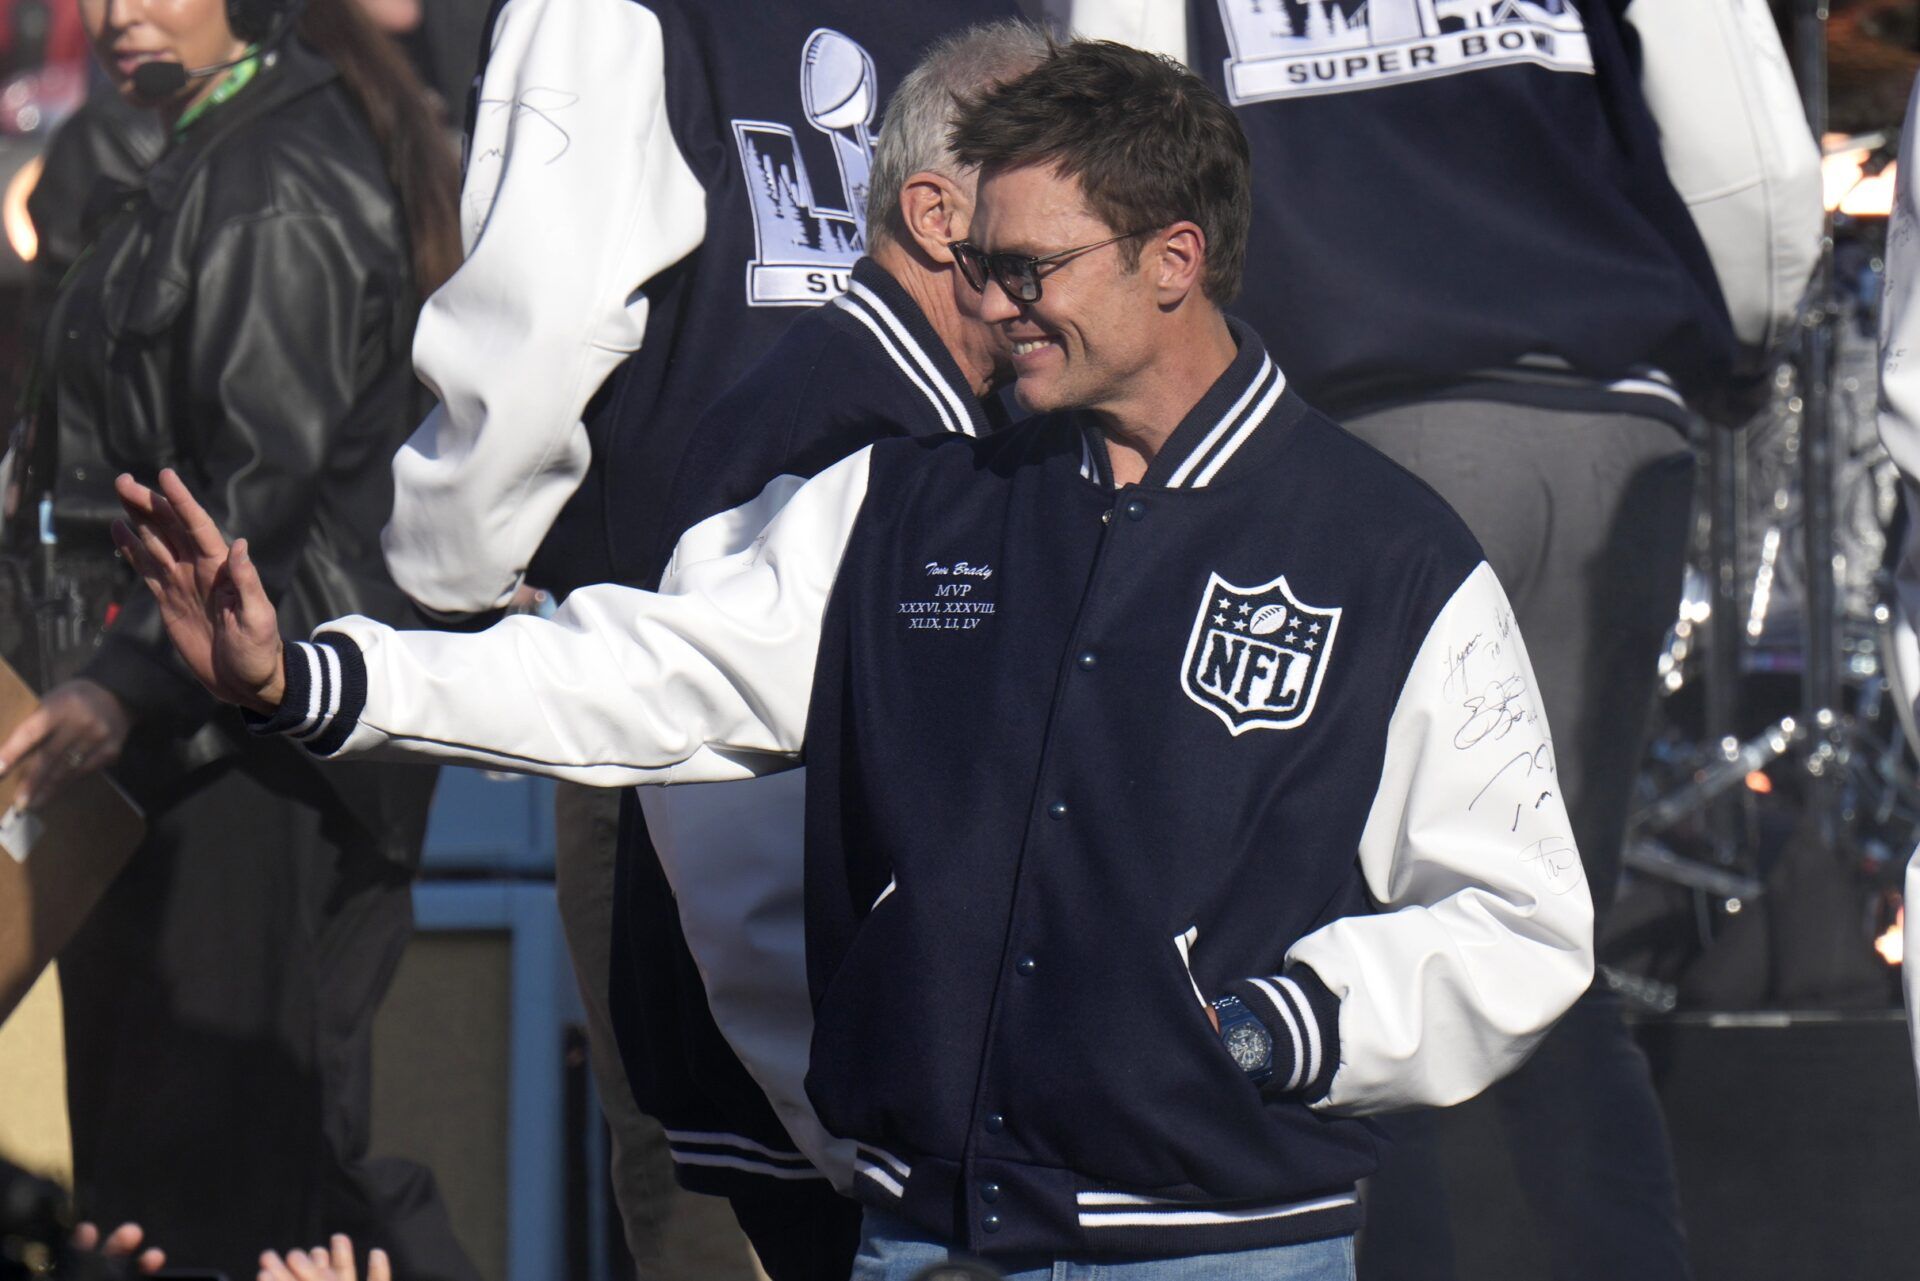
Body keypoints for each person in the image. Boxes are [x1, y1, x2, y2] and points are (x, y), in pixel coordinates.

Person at [116, 40, 1593, 1279]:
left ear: (1175, 262)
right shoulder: (911, 500)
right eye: (980, 260)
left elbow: (1524, 920)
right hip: (926, 1235)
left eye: (1031, 267)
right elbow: (643, 669)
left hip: (1223, 1239)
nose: (991, 297)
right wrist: (311, 679)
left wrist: (1288, 1027)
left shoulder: (1386, 555)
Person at [1051, 1, 1822, 1276]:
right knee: (1543, 937)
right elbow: (1753, 151)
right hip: (1601, 415)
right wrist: (1742, 333)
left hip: (1351, 416)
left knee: (1344, 932)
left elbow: (1114, 135)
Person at [375, 0, 1017, 1270]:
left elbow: (536, 326)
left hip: (687, 673)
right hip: (987, 659)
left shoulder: (607, 14)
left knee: (715, 1177)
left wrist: (449, 570)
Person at [0, 0, 472, 1274]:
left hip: (251, 755)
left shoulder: (277, 175)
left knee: (253, 1176)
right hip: (171, 740)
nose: (115, 13)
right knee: (172, 1175)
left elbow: (252, 497)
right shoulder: (186, 146)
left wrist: (124, 683)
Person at [603, 19, 1045, 1276]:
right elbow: (738, 842)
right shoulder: (842, 424)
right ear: (937, 212)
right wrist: (872, 1139)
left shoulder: (926, 410)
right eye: (1060, 180)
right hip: (838, 1126)